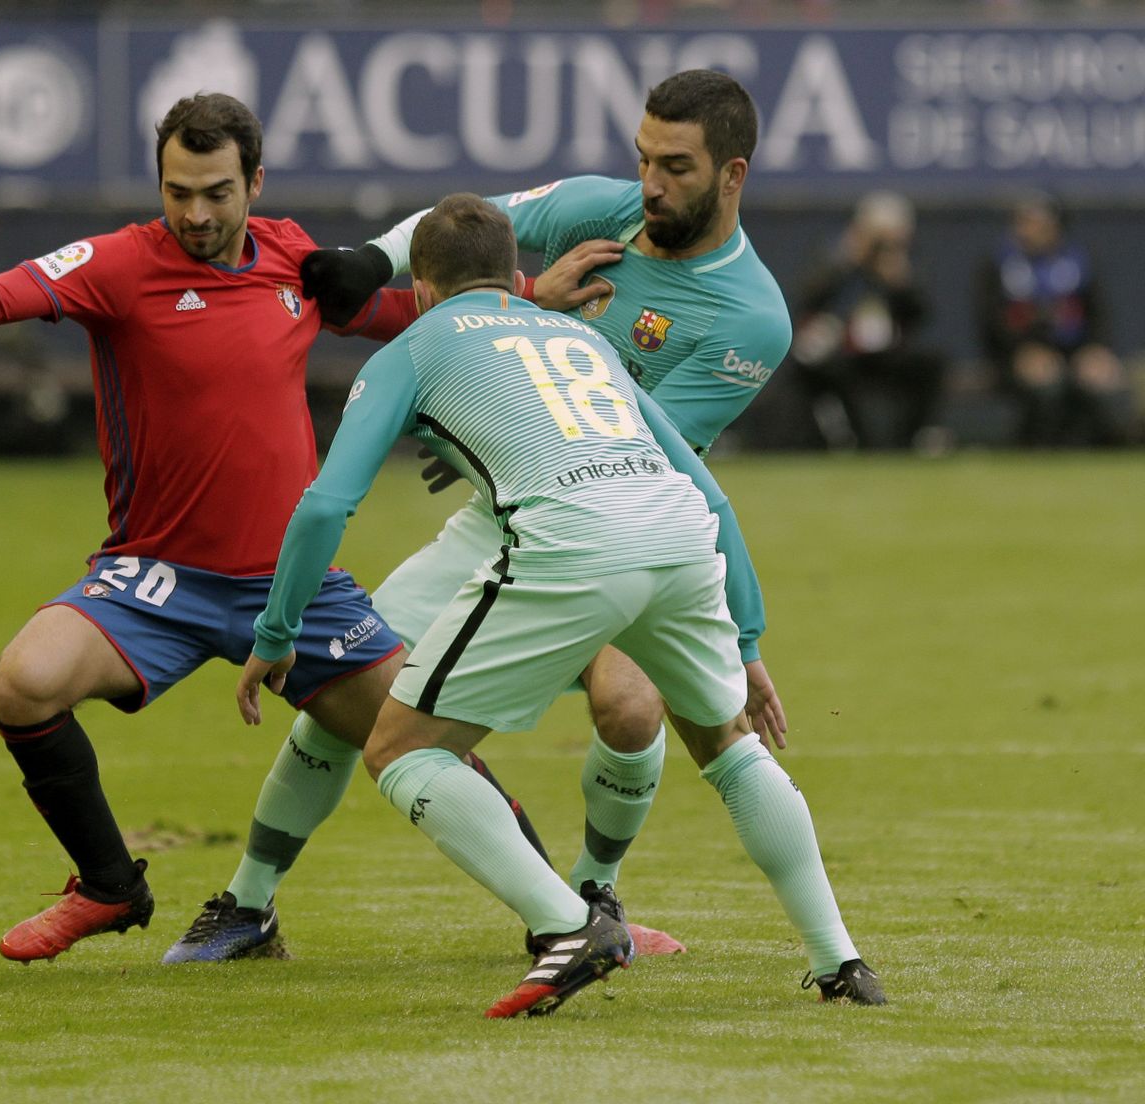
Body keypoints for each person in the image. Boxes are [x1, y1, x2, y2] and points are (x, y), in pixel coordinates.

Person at [168, 69, 878, 1005]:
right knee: (350, 688)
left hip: (578, 513)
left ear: (731, 173)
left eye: (674, 167)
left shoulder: (751, 316)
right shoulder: (600, 213)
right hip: (610, 520)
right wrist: (380, 267)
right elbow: (470, 221)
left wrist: (472, 401)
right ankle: (250, 905)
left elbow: (339, 497)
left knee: (575, 717)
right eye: (642, 159)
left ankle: (583, 906)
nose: (648, 185)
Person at [0, 93, 543, 965]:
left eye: (215, 192)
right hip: (155, 579)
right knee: (24, 683)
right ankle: (109, 886)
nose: (196, 214)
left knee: (418, 741)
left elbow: (398, 315)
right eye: (178, 192)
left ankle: (566, 909)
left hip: (294, 584)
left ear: (255, 182)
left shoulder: (291, 255)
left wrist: (532, 297)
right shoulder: (120, 264)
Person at [783, 191, 947, 451]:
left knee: (929, 364)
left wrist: (900, 282)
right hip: (845, 351)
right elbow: (807, 299)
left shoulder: (904, 264)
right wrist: (848, 260)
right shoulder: (839, 260)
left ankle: (910, 438)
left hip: (888, 350)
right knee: (817, 369)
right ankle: (849, 439)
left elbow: (920, 314)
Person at [976, 192, 1131, 448]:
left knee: (1103, 378)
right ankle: (1037, 446)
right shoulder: (999, 264)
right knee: (1046, 380)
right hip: (1019, 353)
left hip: (1075, 348)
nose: (1027, 230)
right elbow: (991, 322)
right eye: (1022, 222)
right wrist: (1020, 351)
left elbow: (1097, 313)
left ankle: (1107, 445)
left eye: (1036, 224)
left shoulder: (1079, 262)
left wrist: (1095, 349)